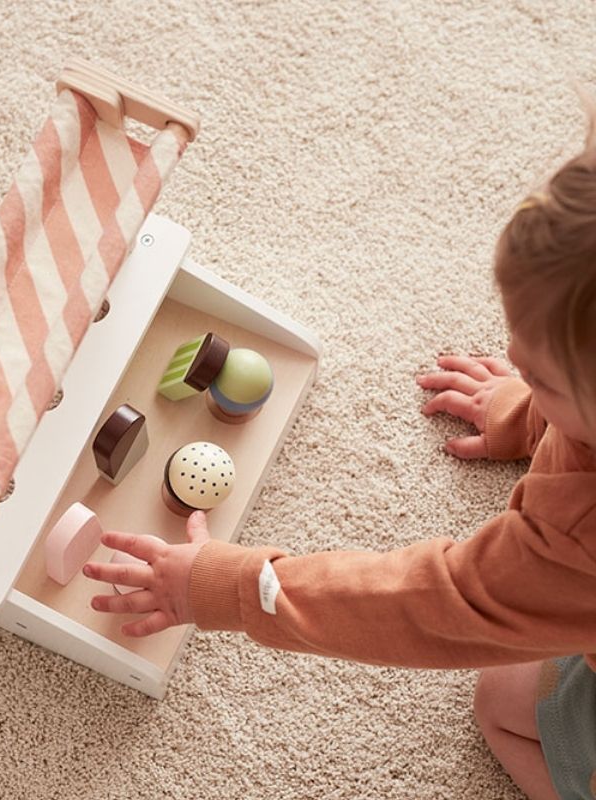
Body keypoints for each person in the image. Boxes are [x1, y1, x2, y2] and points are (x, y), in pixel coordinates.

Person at [83, 110, 596, 800]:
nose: (511, 361)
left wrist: (232, 587)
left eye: (537, 375)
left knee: (502, 706)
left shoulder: (573, 540)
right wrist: (532, 411)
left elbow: (436, 604)